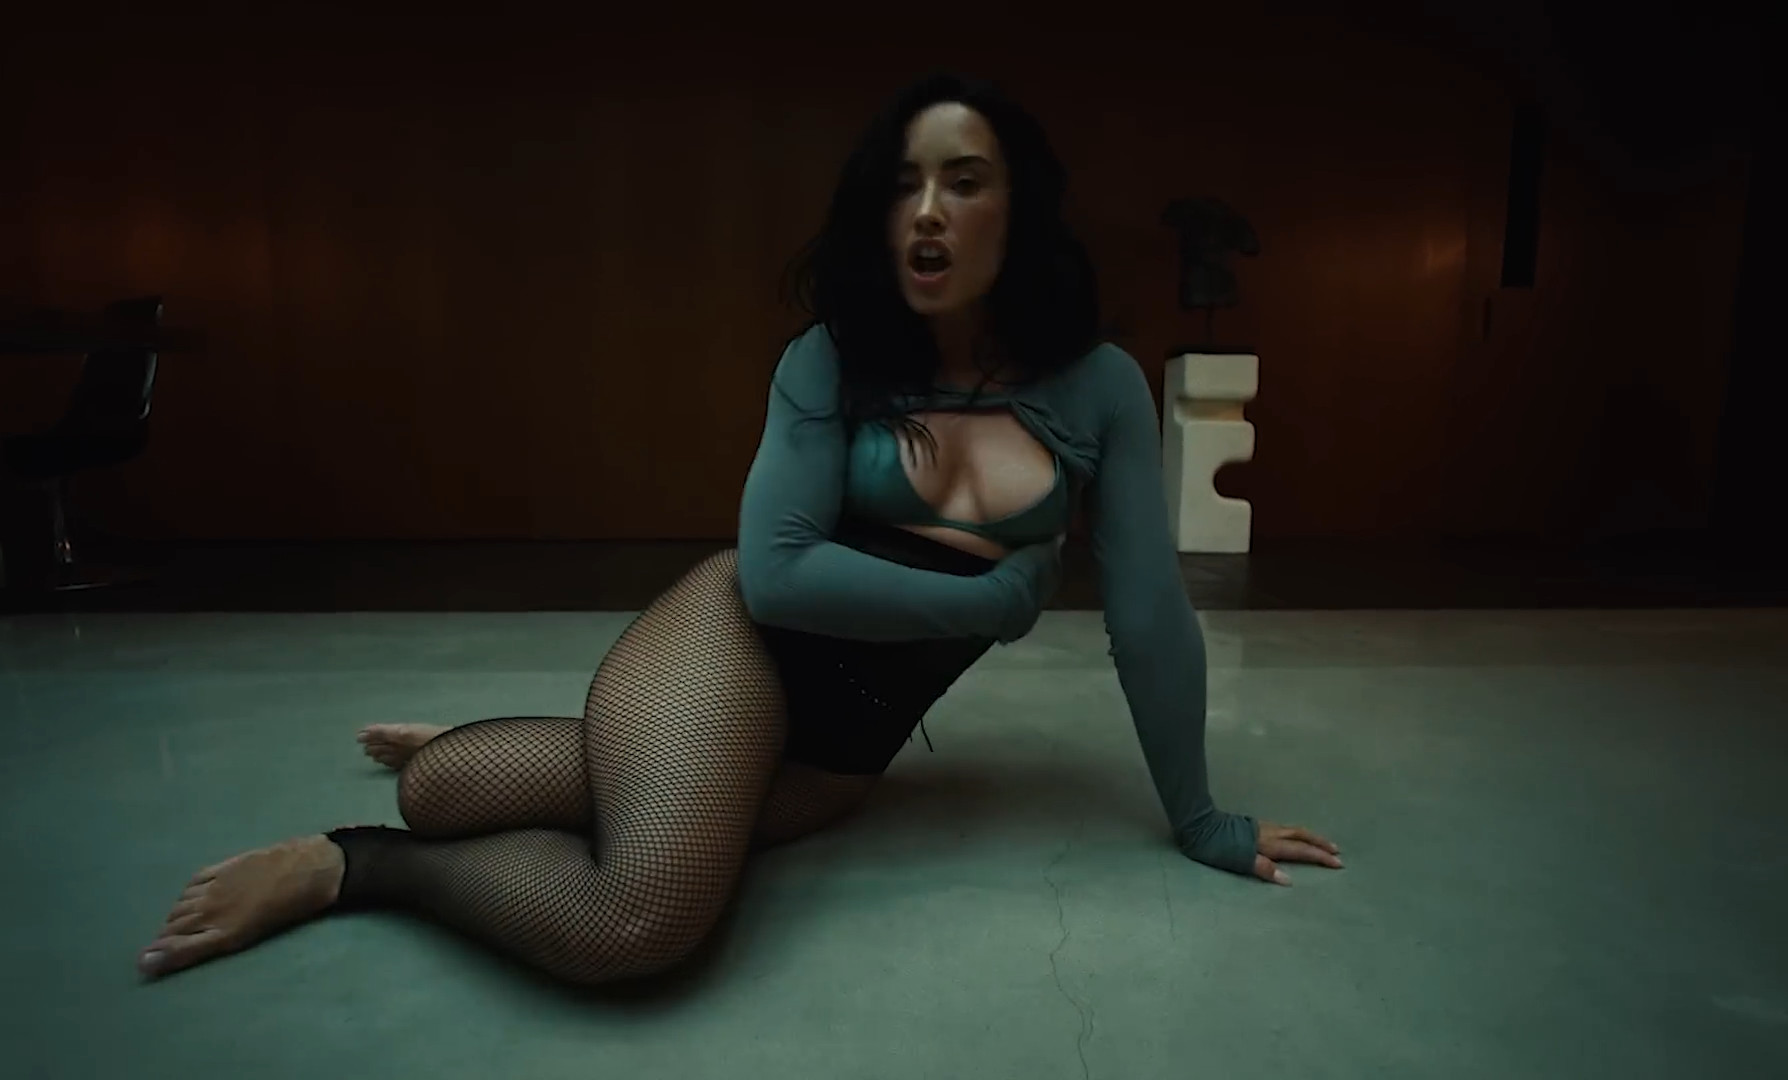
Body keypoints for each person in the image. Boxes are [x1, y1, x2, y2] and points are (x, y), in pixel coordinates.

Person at [137, 71, 1340, 986]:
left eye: (964, 181)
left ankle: (558, 751)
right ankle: (350, 866)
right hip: (736, 649)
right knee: (632, 921)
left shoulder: (1098, 387)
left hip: (835, 760)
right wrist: (984, 602)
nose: (927, 211)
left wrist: (1199, 816)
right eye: (902, 186)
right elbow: (777, 576)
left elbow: (1149, 616)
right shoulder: (830, 358)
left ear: (1020, 208)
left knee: (451, 783)